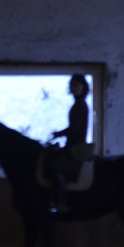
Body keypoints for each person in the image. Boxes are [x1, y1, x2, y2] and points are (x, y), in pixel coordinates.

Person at [48, 73, 92, 213]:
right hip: (72, 144)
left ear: (83, 87)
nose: (74, 88)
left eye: (77, 85)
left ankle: (61, 202)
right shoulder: (78, 104)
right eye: (72, 85)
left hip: (75, 146)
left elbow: (74, 129)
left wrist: (59, 134)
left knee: (55, 167)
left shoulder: (80, 105)